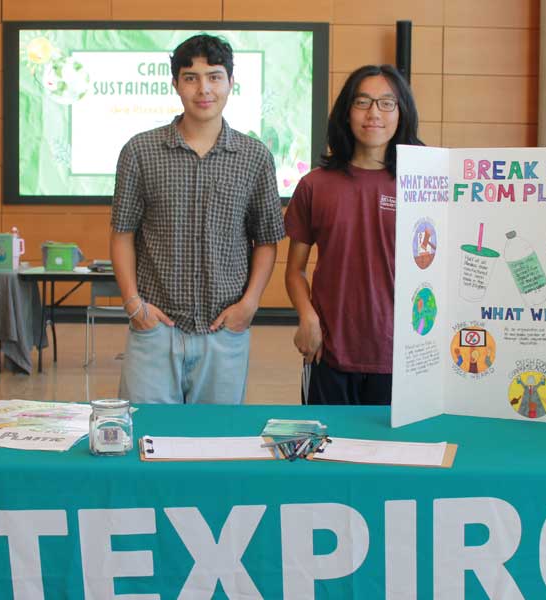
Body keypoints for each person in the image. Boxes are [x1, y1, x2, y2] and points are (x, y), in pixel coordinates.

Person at [110, 34, 284, 404]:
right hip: (155, 329)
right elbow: (123, 233)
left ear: (230, 83)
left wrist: (249, 305)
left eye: (215, 77)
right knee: (145, 439)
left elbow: (266, 241)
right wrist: (133, 304)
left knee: (215, 444)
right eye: (191, 78)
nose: (203, 89)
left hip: (224, 330)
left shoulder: (255, 157)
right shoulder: (140, 151)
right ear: (175, 84)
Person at [283, 65, 423, 405]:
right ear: (346, 113)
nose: (374, 113)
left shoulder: (422, 183)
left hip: (403, 356)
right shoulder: (315, 185)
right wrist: (307, 317)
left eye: (387, 103)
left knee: (391, 456)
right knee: (327, 452)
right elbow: (294, 271)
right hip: (329, 353)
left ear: (402, 113)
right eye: (363, 102)